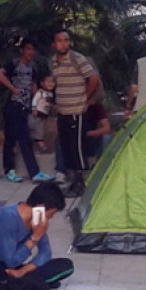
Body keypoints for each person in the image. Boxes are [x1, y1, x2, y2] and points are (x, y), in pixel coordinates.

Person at [0, 182, 75, 290]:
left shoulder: (37, 221)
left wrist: (23, 271)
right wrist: (35, 237)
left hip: (16, 270)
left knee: (66, 265)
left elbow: (46, 253)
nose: (51, 218)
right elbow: (11, 261)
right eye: (51, 214)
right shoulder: (7, 216)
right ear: (41, 208)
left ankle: (24, 283)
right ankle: (28, 284)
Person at [0, 40, 52, 183]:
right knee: (14, 139)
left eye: (33, 50)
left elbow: (32, 86)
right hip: (13, 105)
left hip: (24, 107)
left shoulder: (33, 67)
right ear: (22, 50)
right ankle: (13, 171)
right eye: (28, 49)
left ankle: (30, 172)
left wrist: (37, 102)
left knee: (23, 139)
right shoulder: (14, 64)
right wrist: (12, 88)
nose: (30, 53)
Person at [48, 30, 99, 185]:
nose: (64, 44)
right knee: (66, 147)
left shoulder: (77, 59)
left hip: (76, 111)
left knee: (77, 147)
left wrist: (84, 98)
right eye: (60, 41)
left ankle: (79, 182)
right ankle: (71, 179)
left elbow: (94, 79)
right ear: (54, 44)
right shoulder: (52, 62)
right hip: (63, 111)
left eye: (66, 40)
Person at [29, 75, 55, 153]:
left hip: (43, 116)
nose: (51, 84)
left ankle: (39, 145)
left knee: (39, 131)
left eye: (52, 82)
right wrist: (34, 108)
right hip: (36, 114)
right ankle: (38, 145)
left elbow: (49, 104)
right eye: (48, 82)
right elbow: (35, 100)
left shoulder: (51, 94)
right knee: (31, 128)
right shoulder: (40, 92)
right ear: (42, 83)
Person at [82, 99, 111, 165]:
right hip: (75, 137)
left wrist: (91, 133)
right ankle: (61, 170)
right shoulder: (73, 107)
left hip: (91, 137)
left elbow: (106, 128)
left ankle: (100, 165)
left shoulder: (96, 106)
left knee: (106, 138)